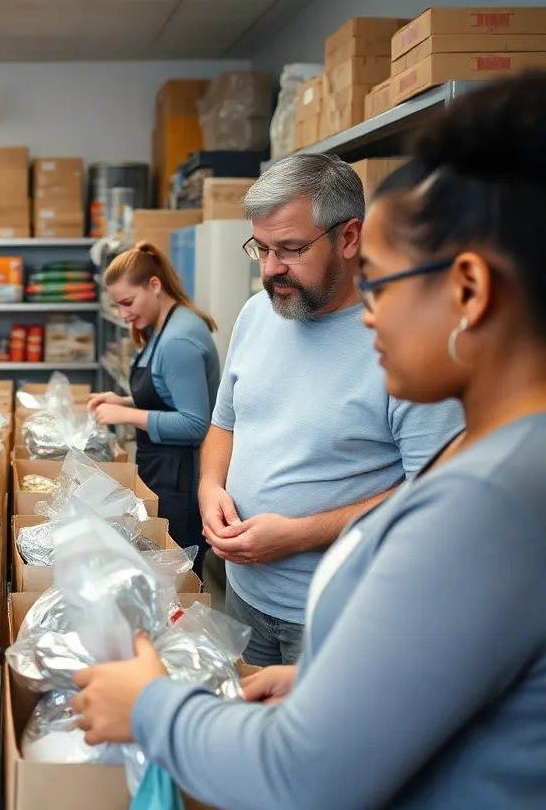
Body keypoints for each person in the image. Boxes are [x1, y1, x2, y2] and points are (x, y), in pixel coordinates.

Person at [70, 69, 546, 810]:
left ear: (470, 291)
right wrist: (331, 681)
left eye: (383, 283)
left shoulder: (484, 505)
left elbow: (302, 777)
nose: (368, 316)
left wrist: (148, 706)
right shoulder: (517, 464)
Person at [196, 151, 464, 666]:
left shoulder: (405, 342)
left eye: (291, 249)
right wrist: (210, 488)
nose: (271, 270)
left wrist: (300, 534)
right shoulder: (257, 314)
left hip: (337, 611)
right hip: (244, 596)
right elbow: (224, 424)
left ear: (349, 237)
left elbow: (434, 494)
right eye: (261, 249)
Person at [88, 243, 220, 571]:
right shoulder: (162, 328)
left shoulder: (178, 340)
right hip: (164, 469)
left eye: (128, 302)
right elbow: (167, 396)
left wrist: (126, 415)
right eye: (117, 305)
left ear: (155, 286)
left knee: (177, 577)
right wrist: (124, 401)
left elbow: (195, 423)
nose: (123, 314)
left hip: (182, 477)